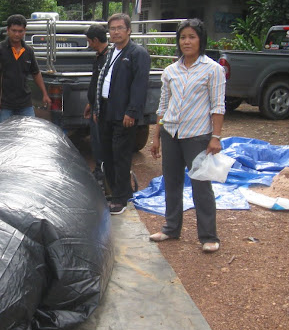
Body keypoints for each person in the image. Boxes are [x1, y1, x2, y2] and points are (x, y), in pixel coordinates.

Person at [149, 18, 226, 253]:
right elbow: (163, 106)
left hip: (198, 137)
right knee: (171, 183)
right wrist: (156, 136)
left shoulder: (213, 69)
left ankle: (208, 236)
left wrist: (216, 137)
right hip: (171, 134)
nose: (187, 41)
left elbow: (218, 106)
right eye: (183, 37)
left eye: (192, 36)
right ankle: (171, 228)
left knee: (201, 186)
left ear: (201, 40)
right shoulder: (171, 70)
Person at [94, 13, 151, 215]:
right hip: (107, 111)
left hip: (124, 114)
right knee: (107, 154)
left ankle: (121, 199)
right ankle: (116, 192)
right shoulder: (112, 52)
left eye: (120, 28)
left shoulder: (137, 53)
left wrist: (132, 111)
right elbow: (104, 82)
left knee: (120, 156)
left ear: (128, 30)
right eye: (112, 28)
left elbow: (139, 86)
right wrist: (97, 108)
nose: (116, 32)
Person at [0, 14, 51, 124]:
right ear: (8, 30)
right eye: (14, 30)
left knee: (28, 135)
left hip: (25, 104)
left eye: (20, 31)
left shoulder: (28, 51)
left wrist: (45, 94)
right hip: (4, 105)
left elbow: (36, 73)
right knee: (6, 137)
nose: (17, 34)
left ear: (24, 31)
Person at [83, 24, 109, 186]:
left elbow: (105, 88)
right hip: (94, 106)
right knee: (95, 141)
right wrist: (90, 103)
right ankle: (99, 171)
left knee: (100, 143)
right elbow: (96, 84)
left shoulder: (108, 59)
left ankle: (102, 175)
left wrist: (97, 109)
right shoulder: (99, 56)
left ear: (96, 40)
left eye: (89, 41)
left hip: (101, 109)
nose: (89, 45)